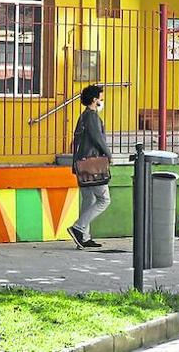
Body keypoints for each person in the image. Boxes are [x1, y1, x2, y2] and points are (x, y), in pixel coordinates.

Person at [68, 84, 111, 248]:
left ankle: (84, 238)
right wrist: (108, 154)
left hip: (81, 163)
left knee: (88, 199)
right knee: (104, 199)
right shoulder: (92, 116)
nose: (102, 99)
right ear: (94, 99)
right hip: (92, 164)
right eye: (101, 96)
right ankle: (78, 228)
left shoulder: (84, 116)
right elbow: (97, 138)